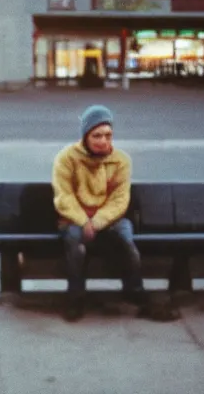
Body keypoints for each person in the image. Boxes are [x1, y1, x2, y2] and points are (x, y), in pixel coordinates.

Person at [51, 104, 148, 322]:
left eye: (108, 135)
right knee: (75, 243)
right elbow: (63, 197)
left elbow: (120, 199)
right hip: (75, 219)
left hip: (110, 219)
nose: (103, 141)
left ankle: (135, 291)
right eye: (97, 135)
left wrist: (96, 222)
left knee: (127, 241)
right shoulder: (66, 158)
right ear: (85, 136)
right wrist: (84, 221)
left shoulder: (121, 160)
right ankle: (75, 297)